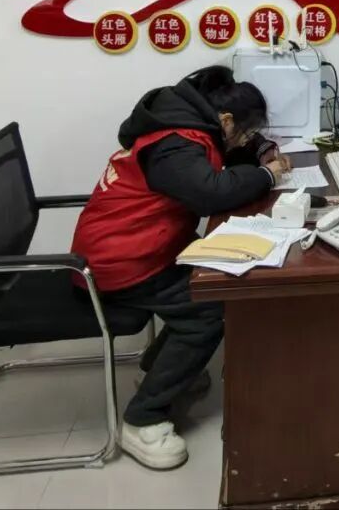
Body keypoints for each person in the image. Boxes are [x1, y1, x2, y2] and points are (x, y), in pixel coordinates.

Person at [70, 65, 291, 471]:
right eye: (244, 133)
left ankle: (160, 368)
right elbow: (210, 193)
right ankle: (143, 418)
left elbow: (227, 157)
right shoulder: (176, 144)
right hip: (120, 262)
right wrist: (265, 174)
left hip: (134, 247)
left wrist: (261, 150)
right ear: (226, 121)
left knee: (210, 284)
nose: (244, 140)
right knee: (211, 307)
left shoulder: (181, 123)